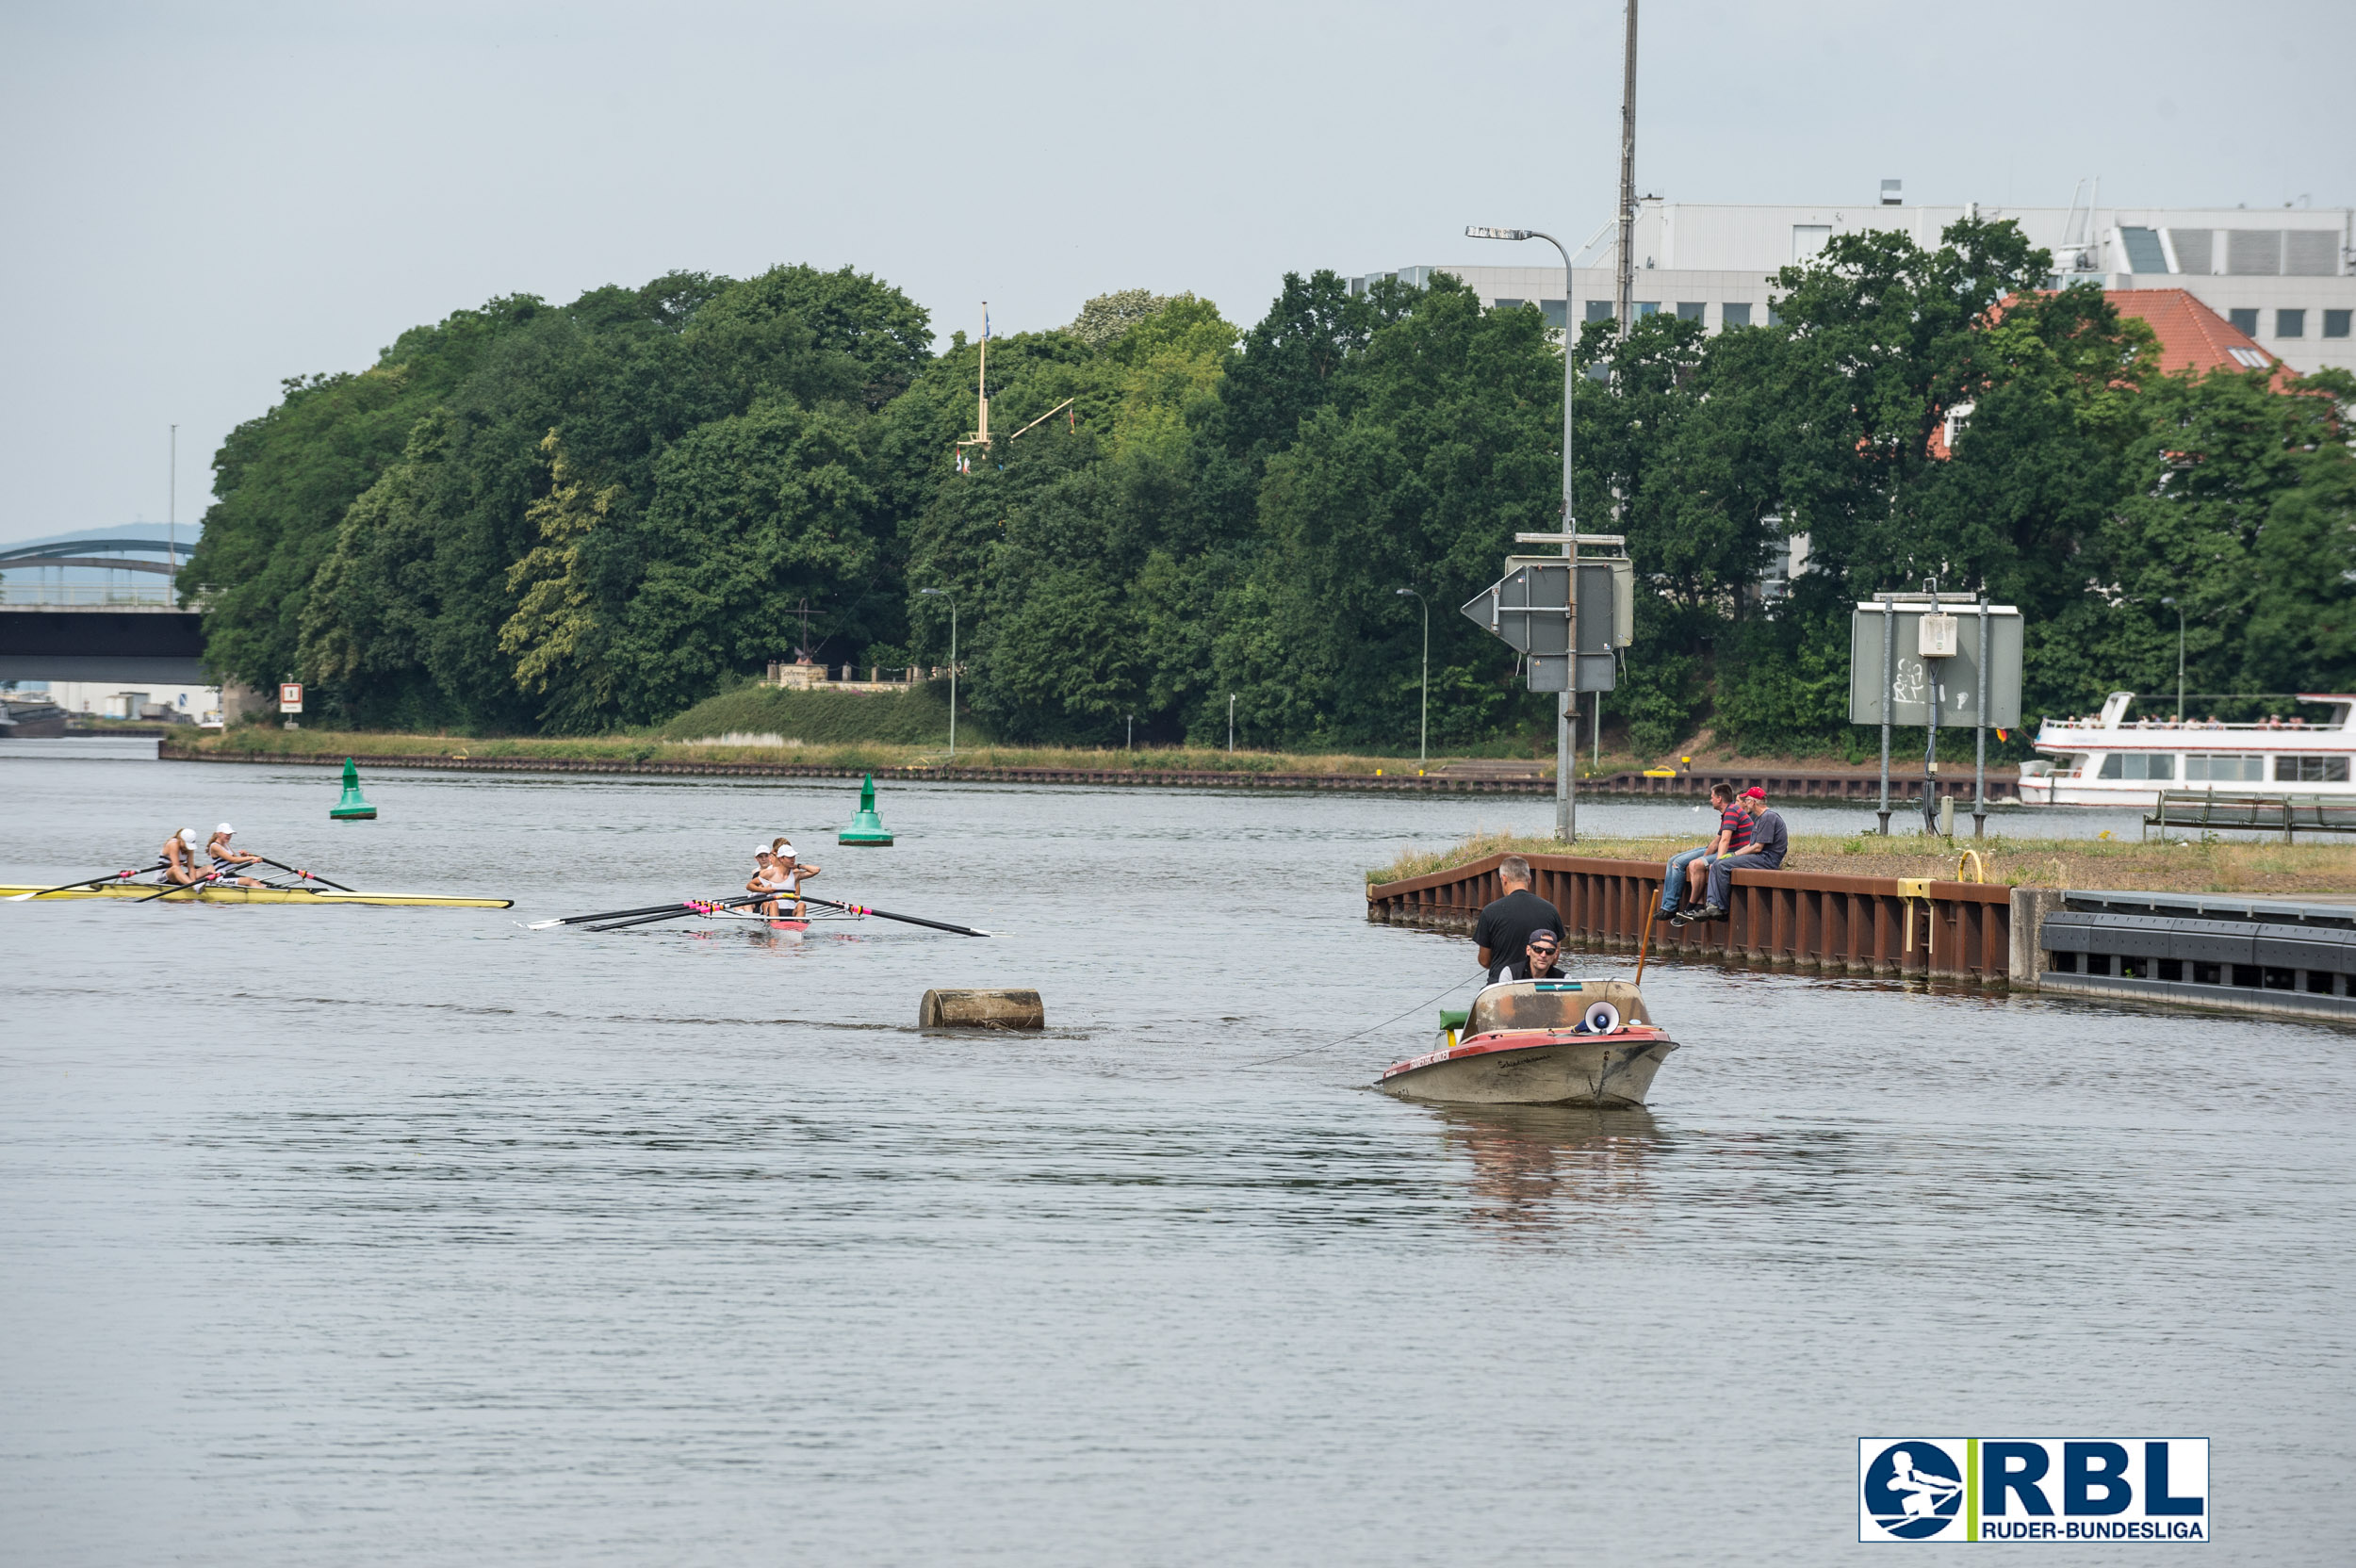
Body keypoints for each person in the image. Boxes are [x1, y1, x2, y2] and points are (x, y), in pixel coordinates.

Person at [1681, 788, 1789, 923]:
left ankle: (1719, 908)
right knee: (1718, 864)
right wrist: (1732, 855)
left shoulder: (1768, 817)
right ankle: (1713, 906)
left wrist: (1732, 855)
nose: (1745, 802)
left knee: (1721, 865)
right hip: (1761, 856)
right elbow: (1752, 845)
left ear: (1753, 802)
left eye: (1747, 799)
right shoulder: (1761, 818)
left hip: (1767, 859)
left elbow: (1757, 847)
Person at [1656, 783, 1741, 920]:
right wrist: (1704, 857)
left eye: (1712, 796)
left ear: (1719, 799)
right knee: (1673, 861)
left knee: (1691, 864)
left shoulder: (1731, 812)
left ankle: (1689, 906)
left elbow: (1725, 841)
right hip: (1718, 848)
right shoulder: (1727, 813)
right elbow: (1716, 842)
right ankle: (1668, 907)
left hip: (1732, 852)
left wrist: (1716, 862)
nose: (1710, 800)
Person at [1474, 856, 1565, 974]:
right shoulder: (1551, 910)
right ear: (1529, 880)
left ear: (1504, 879)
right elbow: (1554, 959)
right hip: (1537, 985)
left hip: (1500, 985)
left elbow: (1484, 961)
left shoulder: (1489, 911)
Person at [1486, 928, 1566, 986]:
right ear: (1528, 950)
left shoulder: (1565, 979)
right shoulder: (1510, 974)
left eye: (1549, 951)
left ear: (1556, 954)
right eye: (1538, 949)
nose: (1543, 955)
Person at [205, 824, 265, 888]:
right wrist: (252, 858)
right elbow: (233, 860)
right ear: (219, 834)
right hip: (221, 878)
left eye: (230, 834)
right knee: (248, 880)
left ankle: (268, 893)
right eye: (227, 834)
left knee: (256, 881)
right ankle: (265, 896)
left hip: (230, 875)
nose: (229, 836)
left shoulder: (226, 844)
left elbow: (236, 860)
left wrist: (245, 856)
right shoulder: (215, 846)